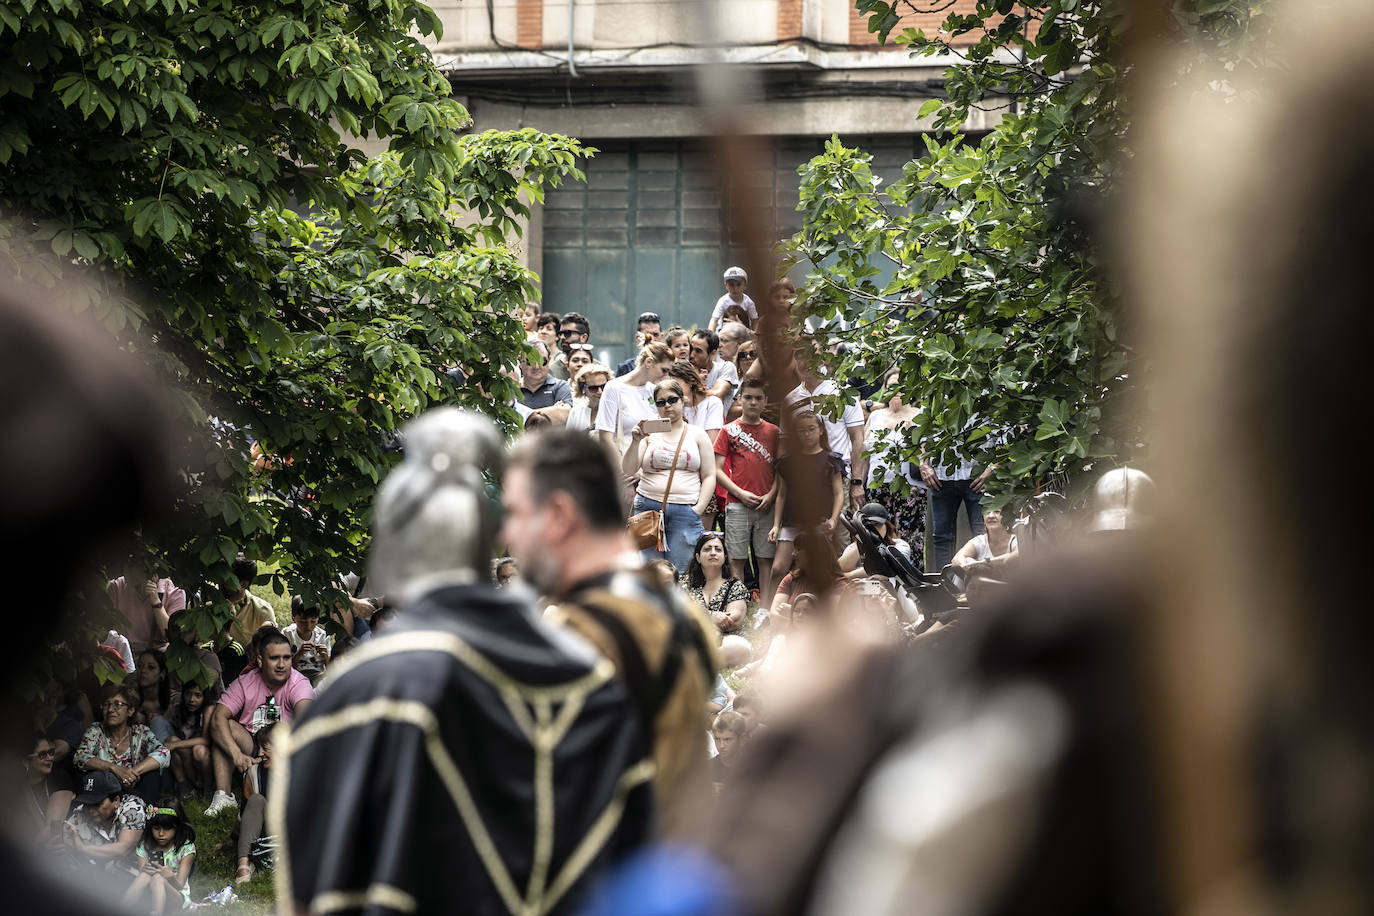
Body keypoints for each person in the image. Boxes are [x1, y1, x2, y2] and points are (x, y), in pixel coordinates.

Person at [279, 409, 655, 915]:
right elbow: (636, 873)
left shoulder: (358, 693)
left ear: (390, 549)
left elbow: (311, 895)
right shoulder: (593, 683)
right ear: (490, 540)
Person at [505, 427, 716, 834]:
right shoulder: (676, 607)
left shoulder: (582, 631)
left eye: (516, 514)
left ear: (559, 514)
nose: (506, 535)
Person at [204, 628, 314, 817]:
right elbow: (218, 718)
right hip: (251, 744)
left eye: (286, 658)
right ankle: (224, 795)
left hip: (284, 747)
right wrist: (237, 754)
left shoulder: (299, 683)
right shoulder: (245, 682)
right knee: (224, 725)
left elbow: (307, 719)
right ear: (261, 660)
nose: (281, 664)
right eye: (274, 658)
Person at [622, 378, 717, 571]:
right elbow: (629, 469)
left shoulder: (697, 434)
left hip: (685, 510)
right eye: (660, 402)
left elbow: (709, 475)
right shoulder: (649, 433)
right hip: (648, 507)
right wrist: (635, 441)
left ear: (683, 401)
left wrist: (697, 509)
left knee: (681, 570)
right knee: (648, 571)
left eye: (672, 400)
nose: (667, 405)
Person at [785, 352, 867, 550]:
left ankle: (844, 580)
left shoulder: (841, 392)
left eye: (810, 356)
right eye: (800, 357)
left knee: (842, 539)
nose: (805, 362)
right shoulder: (790, 399)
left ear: (822, 359)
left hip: (839, 477)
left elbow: (858, 438)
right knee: (807, 544)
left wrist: (857, 482)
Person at [715, 377, 780, 602]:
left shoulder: (774, 432)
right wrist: (740, 493)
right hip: (737, 503)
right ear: (740, 399)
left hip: (767, 504)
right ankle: (738, 604)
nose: (753, 402)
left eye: (758, 398)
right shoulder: (728, 431)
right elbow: (717, 470)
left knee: (765, 558)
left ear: (765, 402)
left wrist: (772, 495)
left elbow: (781, 471)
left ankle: (766, 609)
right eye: (748, 398)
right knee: (736, 559)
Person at [769, 409, 844, 601]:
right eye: (801, 430)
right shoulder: (787, 462)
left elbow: (838, 493)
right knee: (778, 568)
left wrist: (834, 518)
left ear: (820, 430)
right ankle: (767, 609)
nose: (807, 434)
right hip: (792, 522)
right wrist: (776, 525)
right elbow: (781, 495)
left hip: (819, 523)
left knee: (820, 567)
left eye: (811, 429)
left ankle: (821, 606)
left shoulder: (831, 459)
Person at [863, 369, 925, 563]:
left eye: (901, 386)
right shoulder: (875, 417)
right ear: (885, 390)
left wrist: (912, 434)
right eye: (891, 387)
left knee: (911, 541)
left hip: (910, 488)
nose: (896, 391)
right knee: (875, 539)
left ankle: (913, 588)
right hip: (877, 486)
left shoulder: (918, 414)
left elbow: (926, 453)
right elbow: (864, 455)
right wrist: (859, 485)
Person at [74, 685, 169, 804]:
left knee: (152, 774)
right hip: (104, 796)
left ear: (130, 710)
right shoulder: (96, 730)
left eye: (117, 704)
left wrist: (131, 772)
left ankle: (148, 818)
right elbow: (80, 757)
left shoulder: (140, 732)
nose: (110, 710)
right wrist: (115, 769)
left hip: (134, 791)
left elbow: (164, 753)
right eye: (106, 704)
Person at [596, 341, 674, 451]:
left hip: (653, 460)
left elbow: (663, 429)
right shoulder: (613, 388)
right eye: (664, 370)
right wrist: (622, 467)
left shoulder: (654, 390)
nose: (666, 376)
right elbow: (605, 438)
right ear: (648, 362)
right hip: (623, 458)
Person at [63, 771, 146, 874]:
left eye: (97, 804)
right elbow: (63, 845)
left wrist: (83, 848)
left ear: (116, 801)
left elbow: (123, 849)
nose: (90, 809)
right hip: (94, 877)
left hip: (134, 876)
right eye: (87, 804)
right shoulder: (79, 814)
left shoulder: (132, 808)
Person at [121, 797, 195, 912]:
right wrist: (145, 869)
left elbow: (180, 885)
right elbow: (142, 877)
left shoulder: (186, 848)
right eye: (156, 828)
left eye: (167, 828)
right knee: (145, 876)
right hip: (150, 893)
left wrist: (169, 876)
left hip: (176, 897)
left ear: (177, 827)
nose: (161, 834)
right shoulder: (145, 845)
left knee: (158, 878)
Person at [682, 532, 750, 635]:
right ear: (698, 557)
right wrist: (711, 616)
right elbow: (677, 613)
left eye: (718, 549)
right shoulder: (685, 583)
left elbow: (733, 621)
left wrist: (695, 618)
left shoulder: (735, 586)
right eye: (707, 549)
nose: (713, 553)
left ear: (725, 557)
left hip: (728, 645)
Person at [234, 722, 276, 884]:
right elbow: (246, 810)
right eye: (259, 747)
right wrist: (233, 839)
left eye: (266, 748)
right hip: (264, 835)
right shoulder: (253, 772)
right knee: (256, 799)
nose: (260, 753)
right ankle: (244, 864)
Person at [107, 573, 185, 653]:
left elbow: (173, 636)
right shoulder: (117, 586)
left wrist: (155, 600)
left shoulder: (175, 592)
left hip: (156, 653)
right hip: (121, 650)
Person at [21, 734, 75, 844]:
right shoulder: (19, 786)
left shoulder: (60, 778)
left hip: (65, 844)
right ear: (26, 761)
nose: (49, 758)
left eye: (51, 752)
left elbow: (53, 827)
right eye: (42, 755)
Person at [163, 684, 212, 798]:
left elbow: (206, 740)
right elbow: (164, 722)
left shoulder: (208, 710)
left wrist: (176, 744)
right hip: (186, 756)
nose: (191, 699)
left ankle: (208, 787)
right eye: (188, 694)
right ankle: (185, 786)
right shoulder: (179, 709)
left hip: (202, 758)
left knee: (198, 750)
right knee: (172, 743)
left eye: (197, 695)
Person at [223, 556, 274, 651]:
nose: (221, 581)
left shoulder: (262, 609)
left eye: (227, 578)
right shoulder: (205, 605)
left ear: (243, 584)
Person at [282, 595, 331, 685]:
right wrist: (299, 653)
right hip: (295, 675)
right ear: (293, 618)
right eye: (303, 622)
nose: (308, 626)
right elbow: (284, 666)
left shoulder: (322, 635)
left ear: (318, 619)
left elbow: (330, 668)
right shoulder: (287, 634)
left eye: (313, 621)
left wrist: (325, 656)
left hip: (318, 675)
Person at [517, 338, 573, 410]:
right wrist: (553, 410)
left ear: (549, 360)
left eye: (542, 361)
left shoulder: (561, 386)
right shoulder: (513, 389)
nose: (536, 367)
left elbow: (564, 413)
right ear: (520, 362)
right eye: (530, 361)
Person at [708, 266, 757, 332]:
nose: (735, 288)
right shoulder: (723, 301)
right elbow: (714, 320)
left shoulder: (748, 302)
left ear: (745, 285)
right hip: (724, 331)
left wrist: (755, 336)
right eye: (731, 285)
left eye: (738, 284)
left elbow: (754, 321)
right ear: (726, 285)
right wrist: (710, 338)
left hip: (742, 331)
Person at [567, 362, 612, 433]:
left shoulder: (615, 410)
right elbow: (568, 440)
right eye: (593, 388)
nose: (600, 392)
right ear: (583, 389)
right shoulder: (576, 412)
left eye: (604, 386)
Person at [615, 312, 663, 377]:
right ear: (638, 338)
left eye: (656, 335)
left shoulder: (670, 366)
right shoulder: (625, 368)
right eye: (647, 335)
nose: (652, 339)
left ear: (661, 337)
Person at [710, 711, 747, 792]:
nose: (721, 746)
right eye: (717, 739)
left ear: (742, 739)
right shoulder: (707, 768)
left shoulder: (752, 768)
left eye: (727, 740)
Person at [550, 311, 591, 380]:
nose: (562, 337)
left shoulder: (599, 369)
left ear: (583, 337)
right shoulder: (552, 371)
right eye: (560, 333)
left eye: (567, 333)